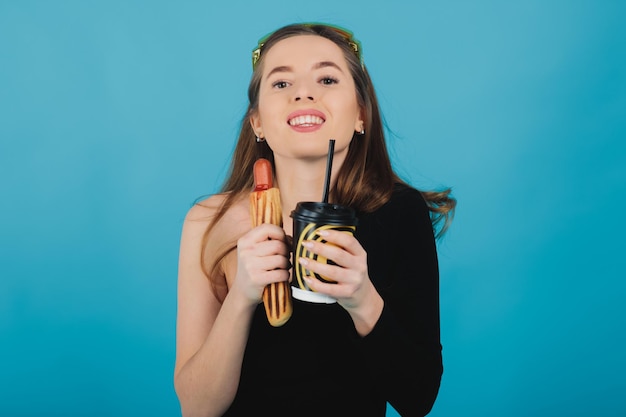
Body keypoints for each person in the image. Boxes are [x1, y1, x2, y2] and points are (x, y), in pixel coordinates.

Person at [174, 23, 456, 417]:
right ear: (257, 122)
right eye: (281, 83)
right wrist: (241, 296)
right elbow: (197, 408)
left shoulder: (400, 212)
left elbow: (417, 398)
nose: (304, 93)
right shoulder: (208, 221)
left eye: (326, 78)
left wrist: (363, 300)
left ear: (360, 114)